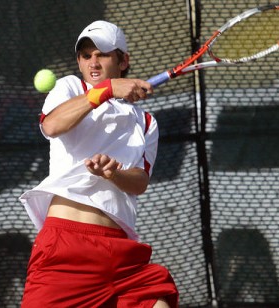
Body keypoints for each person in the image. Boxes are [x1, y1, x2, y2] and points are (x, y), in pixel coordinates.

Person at [19, 20, 179, 307]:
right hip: (67, 248)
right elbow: (53, 125)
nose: (93, 62)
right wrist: (106, 89)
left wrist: (114, 174)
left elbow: (140, 181)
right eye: (85, 55)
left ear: (123, 60)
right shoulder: (69, 88)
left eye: (102, 54)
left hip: (120, 253)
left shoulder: (145, 121)